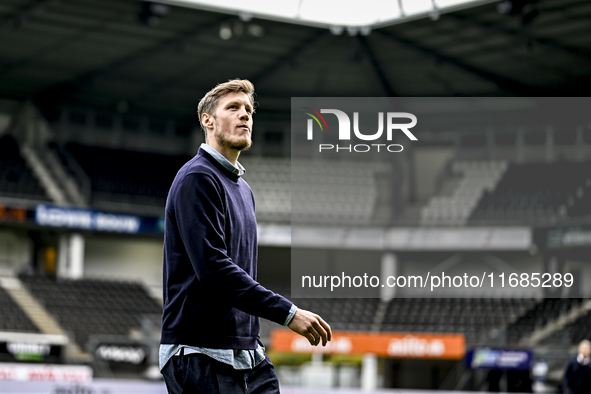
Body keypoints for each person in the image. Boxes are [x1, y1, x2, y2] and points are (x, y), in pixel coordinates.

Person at [160, 79, 332, 393]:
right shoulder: (197, 178)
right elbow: (214, 270)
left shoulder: (243, 190)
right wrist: (287, 313)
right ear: (207, 120)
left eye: (249, 110)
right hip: (200, 351)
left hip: (248, 352)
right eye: (234, 108)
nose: (245, 116)